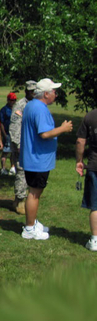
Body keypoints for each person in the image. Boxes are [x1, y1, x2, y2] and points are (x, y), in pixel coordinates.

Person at [20, 78, 73, 240]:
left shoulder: (31, 105)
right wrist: (63, 129)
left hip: (34, 157)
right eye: (54, 91)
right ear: (46, 94)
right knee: (34, 193)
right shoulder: (40, 109)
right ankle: (29, 229)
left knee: (35, 191)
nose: (56, 94)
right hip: (37, 159)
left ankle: (32, 222)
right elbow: (44, 134)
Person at [9, 80, 37, 214]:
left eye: (35, 91)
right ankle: (20, 200)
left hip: (32, 145)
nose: (33, 93)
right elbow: (15, 127)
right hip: (21, 145)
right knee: (21, 172)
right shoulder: (20, 105)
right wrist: (18, 145)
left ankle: (24, 198)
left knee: (29, 172)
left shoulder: (35, 104)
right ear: (26, 91)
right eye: (31, 91)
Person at [75, 108, 97, 251]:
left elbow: (80, 142)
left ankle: (95, 240)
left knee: (95, 205)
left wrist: (79, 161)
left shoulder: (91, 116)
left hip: (95, 165)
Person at [0, 92, 17, 175]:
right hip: (7, 133)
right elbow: (1, 123)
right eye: (11, 100)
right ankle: (3, 168)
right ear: (8, 100)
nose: (12, 102)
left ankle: (13, 167)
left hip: (15, 133)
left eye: (14, 100)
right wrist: (4, 134)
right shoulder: (4, 110)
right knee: (6, 151)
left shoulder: (17, 109)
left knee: (14, 151)